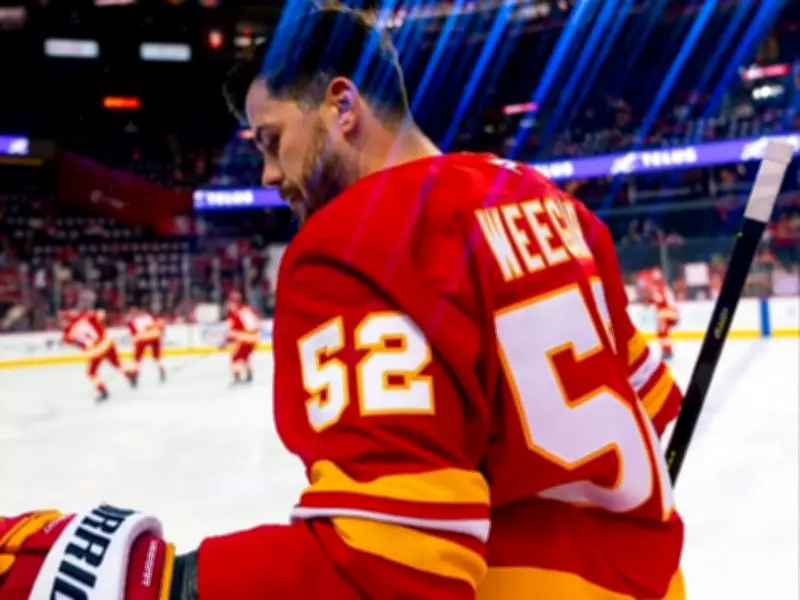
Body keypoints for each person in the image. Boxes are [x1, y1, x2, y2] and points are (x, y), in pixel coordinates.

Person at [0, 5, 686, 599]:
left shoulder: (356, 242)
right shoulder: (551, 202)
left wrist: (154, 583)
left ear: (342, 106)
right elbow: (653, 408)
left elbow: (386, 566)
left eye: (273, 141)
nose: (269, 174)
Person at [60, 303, 136, 402]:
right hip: (106, 344)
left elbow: (68, 342)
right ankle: (130, 375)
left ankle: (102, 391)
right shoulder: (86, 316)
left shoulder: (67, 333)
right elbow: (101, 314)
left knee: (92, 373)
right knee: (117, 364)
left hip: (94, 351)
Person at [222, 291, 260, 384]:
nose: (228, 305)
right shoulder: (246, 310)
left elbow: (233, 331)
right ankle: (249, 373)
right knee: (244, 356)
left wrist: (229, 339)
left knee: (236, 357)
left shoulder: (237, 313)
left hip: (246, 338)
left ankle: (237, 376)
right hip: (252, 338)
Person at [126, 306, 167, 384]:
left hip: (143, 338)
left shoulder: (132, 320)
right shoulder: (149, 316)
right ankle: (162, 370)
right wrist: (161, 331)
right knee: (156, 356)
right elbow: (160, 324)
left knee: (138, 358)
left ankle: (135, 375)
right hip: (154, 336)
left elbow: (134, 334)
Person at [646, 267, 680, 360]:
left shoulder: (660, 288)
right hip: (669, 313)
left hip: (666, 312)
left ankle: (667, 350)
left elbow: (659, 300)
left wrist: (650, 298)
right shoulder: (662, 287)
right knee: (663, 332)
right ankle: (667, 350)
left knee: (662, 331)